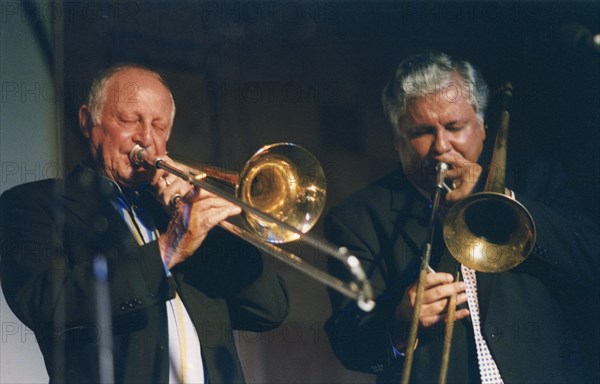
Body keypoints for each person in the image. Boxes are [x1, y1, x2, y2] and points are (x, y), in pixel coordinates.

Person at [0, 64, 289, 383]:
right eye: (128, 120)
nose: (146, 138)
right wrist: (168, 249)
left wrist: (212, 225)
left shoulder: (180, 216)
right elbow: (47, 305)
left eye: (159, 126)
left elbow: (269, 311)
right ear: (87, 122)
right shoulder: (35, 204)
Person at [324, 52, 599, 383]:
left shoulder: (536, 179)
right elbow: (349, 345)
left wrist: (506, 201)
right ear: (398, 140)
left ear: (482, 127)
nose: (442, 145)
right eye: (422, 131)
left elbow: (591, 262)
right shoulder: (357, 219)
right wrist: (399, 324)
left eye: (455, 126)